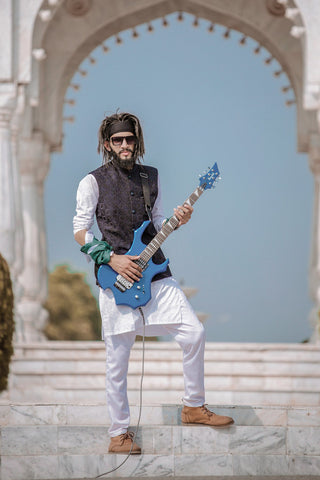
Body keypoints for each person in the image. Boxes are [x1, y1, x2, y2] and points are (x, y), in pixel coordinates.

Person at [73, 112, 234, 454]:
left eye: (130, 139)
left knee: (194, 332)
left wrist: (178, 220)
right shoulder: (92, 181)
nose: (125, 145)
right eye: (118, 140)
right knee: (118, 361)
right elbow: (80, 229)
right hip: (115, 274)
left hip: (155, 272)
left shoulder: (152, 177)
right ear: (107, 145)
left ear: (137, 141)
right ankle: (119, 434)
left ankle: (193, 407)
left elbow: (157, 221)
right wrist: (110, 258)